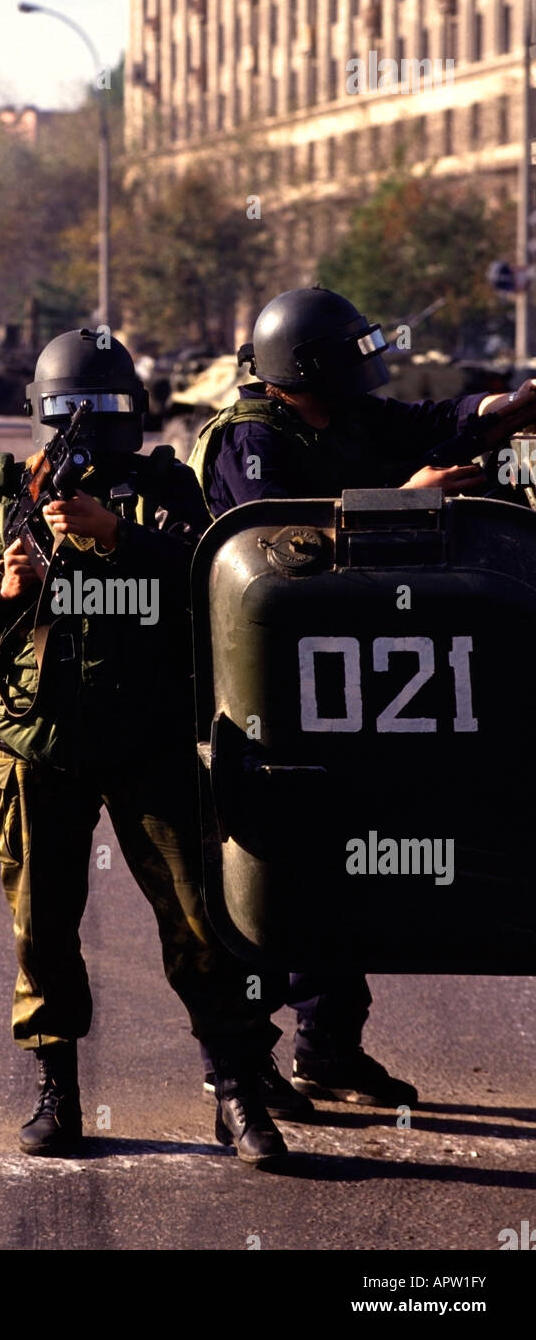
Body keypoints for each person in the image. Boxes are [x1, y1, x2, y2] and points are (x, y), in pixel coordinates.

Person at [0, 328, 301, 1167]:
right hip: (36, 746)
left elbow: (223, 579)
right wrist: (3, 589)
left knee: (206, 926)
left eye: (98, 415)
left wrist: (116, 539)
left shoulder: (167, 492)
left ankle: (236, 1090)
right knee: (42, 931)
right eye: (67, 416)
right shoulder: (3, 497)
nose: (81, 435)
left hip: (153, 743)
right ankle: (57, 1093)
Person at [190, 286, 536, 1107]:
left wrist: (510, 405)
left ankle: (328, 1051)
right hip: (265, 691)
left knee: (342, 868)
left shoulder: (342, 415)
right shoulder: (250, 441)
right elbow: (274, 550)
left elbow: (429, 420)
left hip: (350, 680)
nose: (365, 378)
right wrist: (412, 495)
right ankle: (243, 1066)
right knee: (270, 881)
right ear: (298, 372)